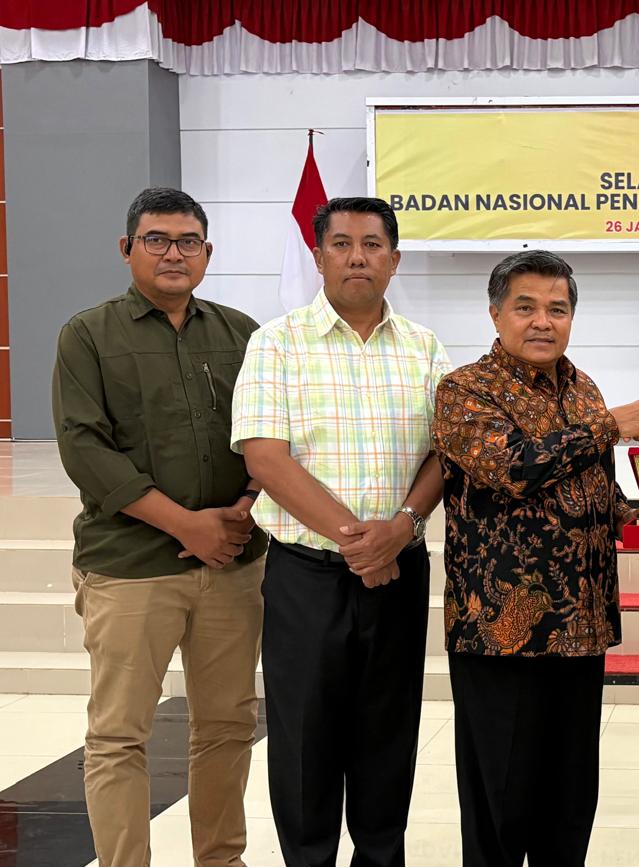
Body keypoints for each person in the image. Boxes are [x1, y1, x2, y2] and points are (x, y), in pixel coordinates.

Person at [230, 196, 451, 867]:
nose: (358, 257)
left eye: (373, 244)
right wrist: (362, 541)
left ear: (394, 259)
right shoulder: (276, 343)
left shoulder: (424, 347)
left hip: (399, 573)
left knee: (389, 735)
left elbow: (446, 452)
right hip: (307, 575)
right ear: (319, 255)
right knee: (305, 739)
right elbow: (265, 458)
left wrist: (402, 528)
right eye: (343, 244)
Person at [52, 187, 267, 867]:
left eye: (187, 241)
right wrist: (186, 525)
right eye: (157, 240)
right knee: (119, 735)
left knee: (228, 724)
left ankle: (220, 859)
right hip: (130, 565)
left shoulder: (243, 334)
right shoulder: (88, 335)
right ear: (127, 249)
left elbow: (272, 434)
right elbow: (85, 449)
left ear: (207, 252)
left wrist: (243, 508)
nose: (174, 253)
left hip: (232, 562)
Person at [431, 250, 639, 867]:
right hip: (503, 635)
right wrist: (607, 427)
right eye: (525, 307)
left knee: (570, 804)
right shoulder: (466, 390)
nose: (542, 322)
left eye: (557, 309)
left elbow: (595, 488)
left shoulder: (583, 389)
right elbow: (513, 469)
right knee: (501, 806)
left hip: (582, 629)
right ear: (495, 314)